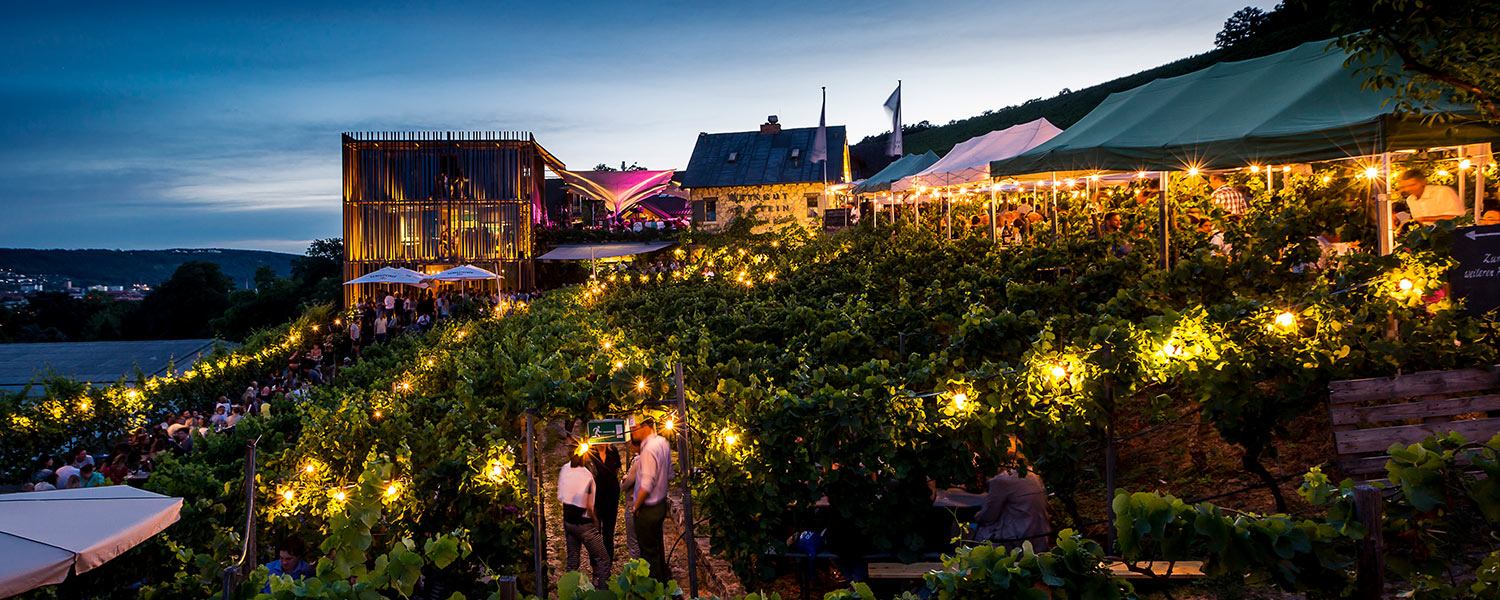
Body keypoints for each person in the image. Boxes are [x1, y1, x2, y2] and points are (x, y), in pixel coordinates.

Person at [973, 444, 1053, 551]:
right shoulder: (1033, 474)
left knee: (971, 530)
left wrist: (976, 516)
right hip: (1040, 536)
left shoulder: (1003, 480)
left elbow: (989, 516)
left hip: (1016, 539)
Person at [629, 416, 673, 581]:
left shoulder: (647, 450)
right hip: (660, 505)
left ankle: (654, 587)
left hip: (647, 508)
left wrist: (636, 506)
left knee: (648, 554)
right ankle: (665, 582)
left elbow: (646, 486)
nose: (632, 432)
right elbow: (669, 473)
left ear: (645, 426)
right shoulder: (663, 442)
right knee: (657, 548)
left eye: (634, 428)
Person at [559, 453, 611, 589]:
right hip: (584, 525)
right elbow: (589, 505)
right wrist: (595, 521)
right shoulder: (586, 476)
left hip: (568, 522)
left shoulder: (565, 470)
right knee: (603, 559)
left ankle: (570, 592)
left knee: (573, 561)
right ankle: (603, 592)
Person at [588, 442, 623, 560]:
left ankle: (607, 563)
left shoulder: (613, 451)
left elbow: (617, 469)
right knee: (595, 532)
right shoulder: (589, 453)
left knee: (608, 532)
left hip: (611, 496)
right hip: (595, 497)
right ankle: (596, 564)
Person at [1398, 168, 1465, 224]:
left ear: (1423, 182)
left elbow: (1456, 217)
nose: (1408, 189)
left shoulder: (1442, 192)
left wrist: (1425, 219)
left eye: (1412, 185)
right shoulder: (1410, 200)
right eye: (1404, 187)